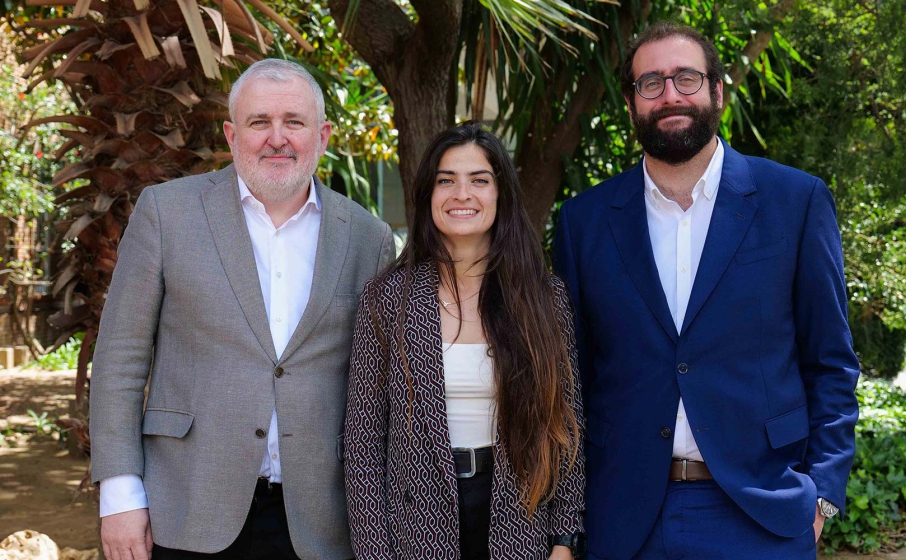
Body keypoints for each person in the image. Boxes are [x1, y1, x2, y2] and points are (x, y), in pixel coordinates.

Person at [552, 22, 860, 560]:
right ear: (631, 104)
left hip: (761, 513)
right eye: (651, 83)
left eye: (686, 78)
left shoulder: (795, 201)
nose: (670, 95)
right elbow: (569, 380)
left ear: (717, 90)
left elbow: (831, 362)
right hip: (625, 519)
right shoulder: (586, 221)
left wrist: (824, 499)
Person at [89, 59, 394, 560]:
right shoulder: (167, 213)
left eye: (294, 122)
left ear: (323, 136)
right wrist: (120, 495)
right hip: (186, 505)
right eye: (259, 122)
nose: (278, 138)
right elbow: (121, 359)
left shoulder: (368, 237)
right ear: (232, 135)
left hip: (319, 520)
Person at [344, 122, 586, 560]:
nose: (462, 194)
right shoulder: (386, 300)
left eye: (479, 180)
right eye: (445, 181)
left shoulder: (544, 298)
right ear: (428, 195)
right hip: (415, 527)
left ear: (501, 195)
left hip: (518, 521)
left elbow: (565, 427)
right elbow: (363, 446)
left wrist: (565, 541)